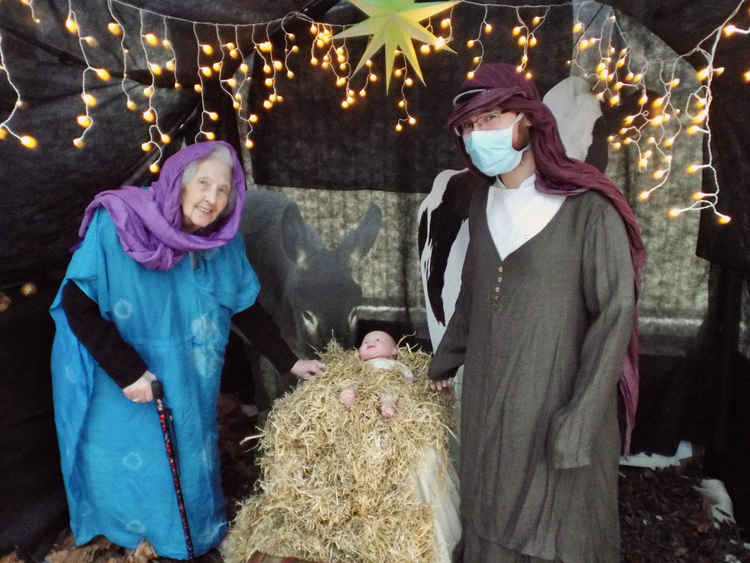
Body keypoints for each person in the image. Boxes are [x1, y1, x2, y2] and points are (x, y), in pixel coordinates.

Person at [49, 140, 325, 560]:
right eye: (203, 183)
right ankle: (127, 535)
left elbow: (245, 306)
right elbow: (76, 302)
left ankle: (186, 539)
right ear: (178, 181)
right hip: (118, 370)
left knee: (186, 459)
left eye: (224, 189)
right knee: (127, 459)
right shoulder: (120, 223)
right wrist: (127, 372)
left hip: (185, 376)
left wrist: (290, 360)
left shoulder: (221, 240)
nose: (212, 198)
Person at [427, 63, 645, 563]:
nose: (478, 136)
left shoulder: (588, 208)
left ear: (527, 120)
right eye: (468, 128)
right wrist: (443, 362)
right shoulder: (482, 202)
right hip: (490, 398)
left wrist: (581, 417)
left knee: (556, 528)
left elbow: (615, 314)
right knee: (491, 508)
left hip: (557, 401)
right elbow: (473, 293)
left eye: (491, 119)